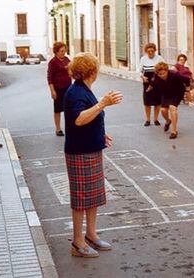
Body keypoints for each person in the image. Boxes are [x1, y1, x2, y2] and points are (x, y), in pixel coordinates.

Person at [64, 52, 122, 258]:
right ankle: (77, 242)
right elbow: (78, 119)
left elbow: (89, 119)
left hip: (91, 148)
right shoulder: (76, 92)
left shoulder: (84, 90)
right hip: (80, 152)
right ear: (91, 71)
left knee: (93, 197)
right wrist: (103, 103)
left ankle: (90, 234)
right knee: (81, 198)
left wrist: (100, 133)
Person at [149, 62, 190, 139]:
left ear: (167, 71)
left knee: (172, 108)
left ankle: (173, 131)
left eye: (164, 73)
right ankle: (168, 121)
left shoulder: (174, 74)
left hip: (177, 92)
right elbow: (152, 83)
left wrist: (188, 88)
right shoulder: (156, 77)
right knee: (163, 110)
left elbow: (186, 79)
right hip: (166, 93)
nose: (162, 76)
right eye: (160, 74)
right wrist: (149, 88)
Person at [47, 42, 72, 136]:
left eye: (64, 51)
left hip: (68, 88)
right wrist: (52, 91)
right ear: (56, 52)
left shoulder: (67, 59)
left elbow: (71, 70)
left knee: (69, 109)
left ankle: (69, 127)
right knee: (57, 110)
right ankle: (58, 129)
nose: (63, 53)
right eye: (61, 51)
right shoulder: (53, 62)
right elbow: (49, 77)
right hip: (58, 89)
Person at [139, 43, 164, 126]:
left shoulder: (159, 58)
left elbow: (164, 68)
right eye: (148, 51)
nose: (150, 53)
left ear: (155, 51)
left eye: (152, 51)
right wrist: (142, 77)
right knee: (147, 102)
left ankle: (156, 119)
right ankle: (148, 120)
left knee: (157, 102)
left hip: (157, 82)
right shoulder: (143, 59)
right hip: (147, 81)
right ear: (146, 51)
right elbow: (140, 71)